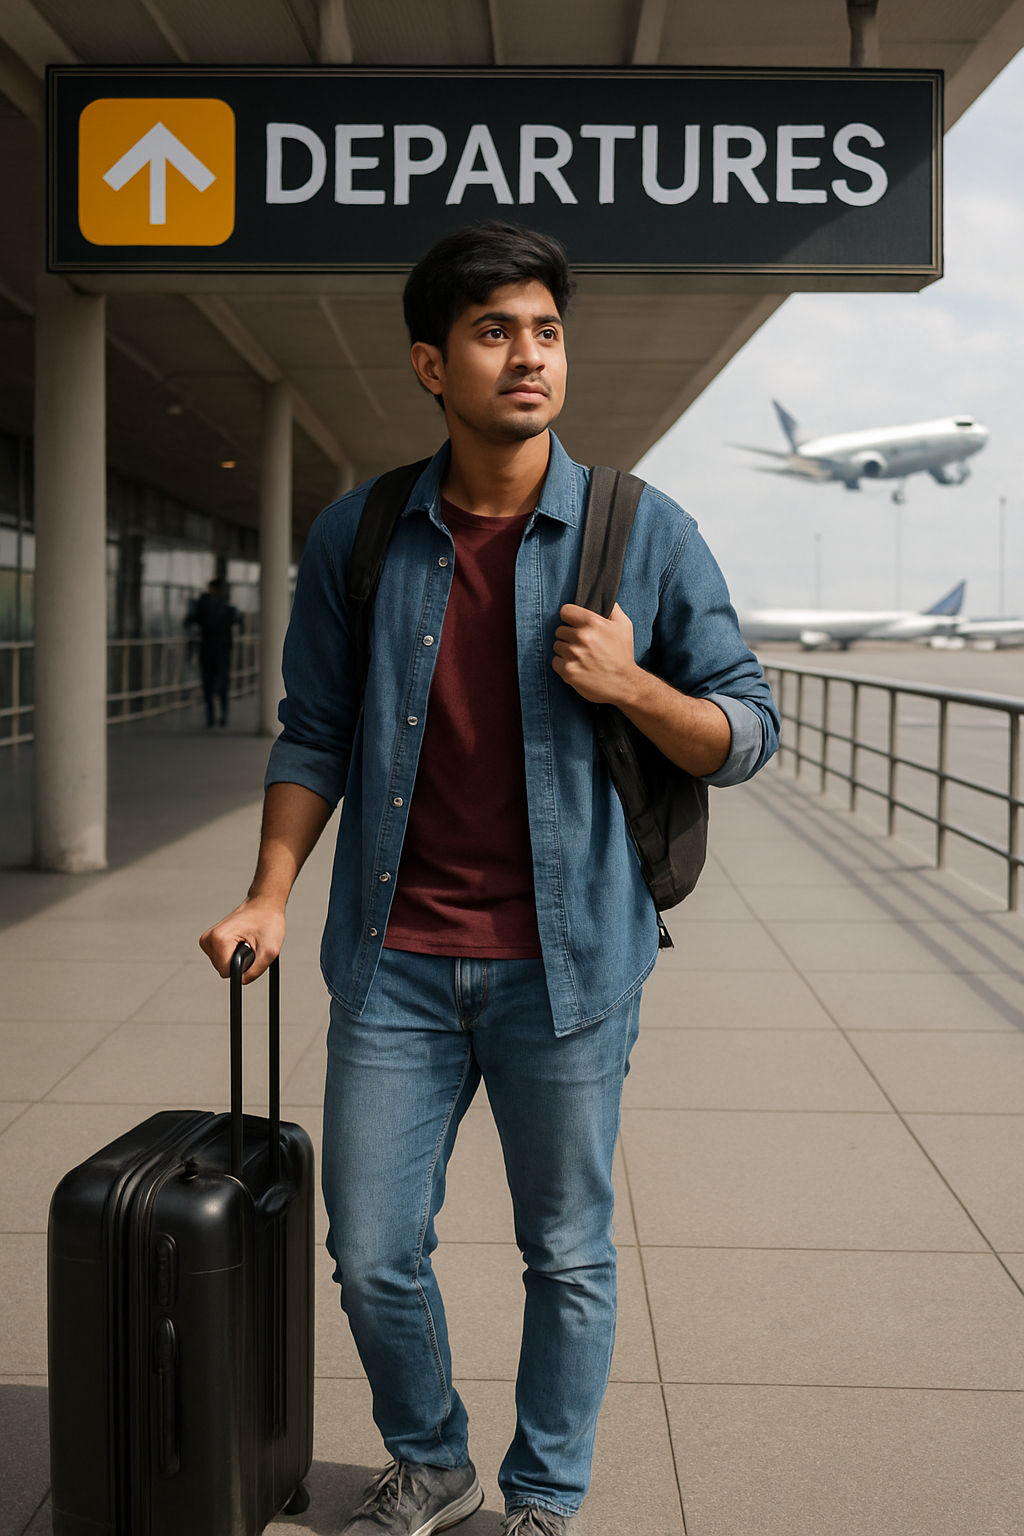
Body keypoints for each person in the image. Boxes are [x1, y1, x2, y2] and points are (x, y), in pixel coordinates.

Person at [199, 222, 779, 1536]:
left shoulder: (644, 532)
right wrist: (271, 891)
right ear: (430, 363)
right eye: (493, 331)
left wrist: (634, 685)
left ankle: (542, 1503)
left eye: (545, 330)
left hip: (568, 970)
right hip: (397, 958)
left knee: (565, 1253)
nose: (528, 356)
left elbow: (748, 731)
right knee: (371, 1249)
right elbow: (316, 729)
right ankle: (435, 1460)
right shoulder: (363, 534)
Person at [185, 576, 238, 727]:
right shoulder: (226, 606)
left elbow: (190, 621)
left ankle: (210, 717)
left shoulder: (203, 604)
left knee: (207, 682)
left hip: (207, 648)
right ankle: (223, 714)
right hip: (223, 650)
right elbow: (236, 619)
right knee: (222, 681)